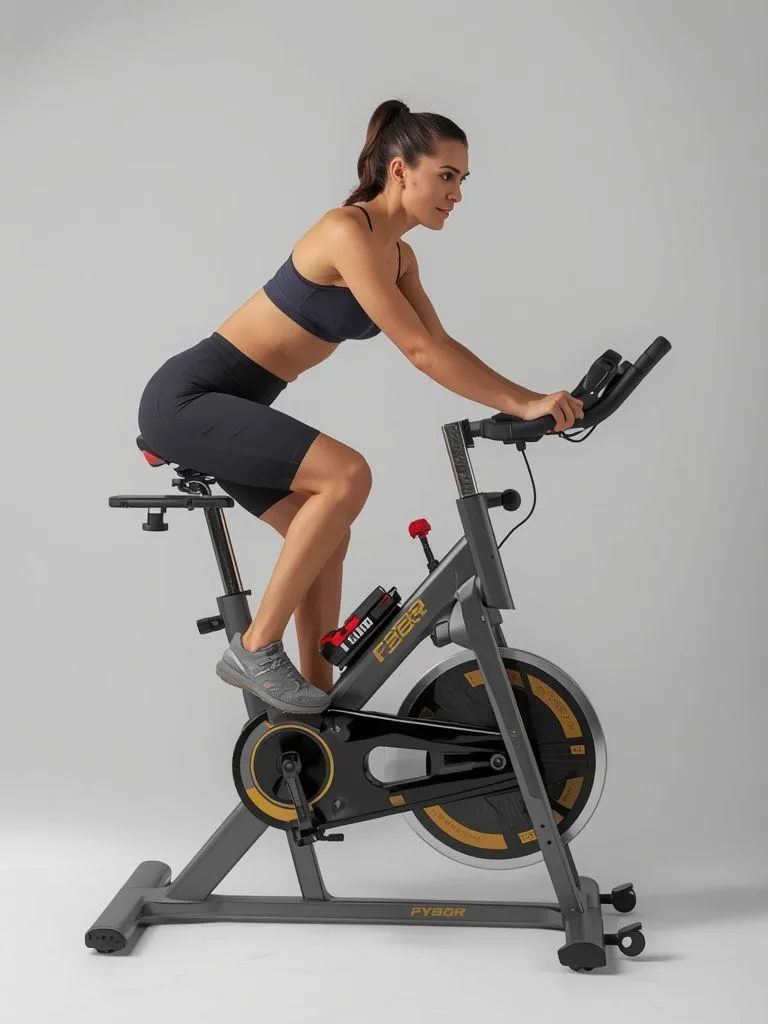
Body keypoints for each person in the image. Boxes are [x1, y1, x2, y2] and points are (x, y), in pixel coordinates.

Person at [137, 98, 584, 716]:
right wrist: (524, 402)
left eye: (462, 180)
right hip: (189, 399)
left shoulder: (400, 257)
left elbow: (441, 344)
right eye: (446, 176)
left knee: (326, 532)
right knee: (348, 476)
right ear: (400, 170)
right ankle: (256, 648)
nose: (456, 194)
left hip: (232, 405)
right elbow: (419, 352)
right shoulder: (345, 232)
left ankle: (313, 704)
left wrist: (528, 399)